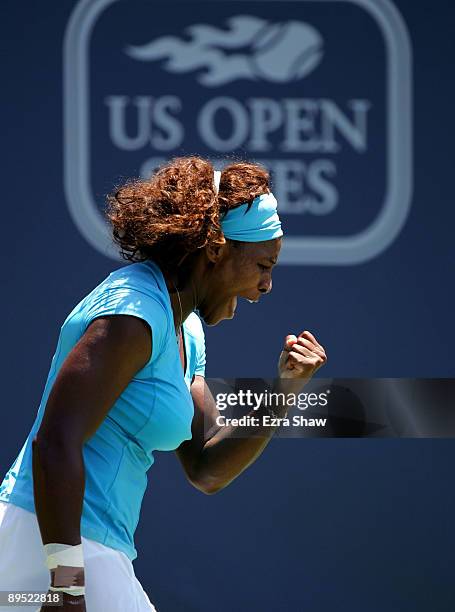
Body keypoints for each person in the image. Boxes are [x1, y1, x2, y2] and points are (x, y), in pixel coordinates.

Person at [0, 157, 327, 611]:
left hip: (84, 548)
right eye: (263, 265)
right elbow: (55, 441)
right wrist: (67, 583)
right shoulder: (133, 314)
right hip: (53, 543)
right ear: (216, 249)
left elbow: (206, 466)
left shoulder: (186, 330)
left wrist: (284, 389)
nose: (268, 285)